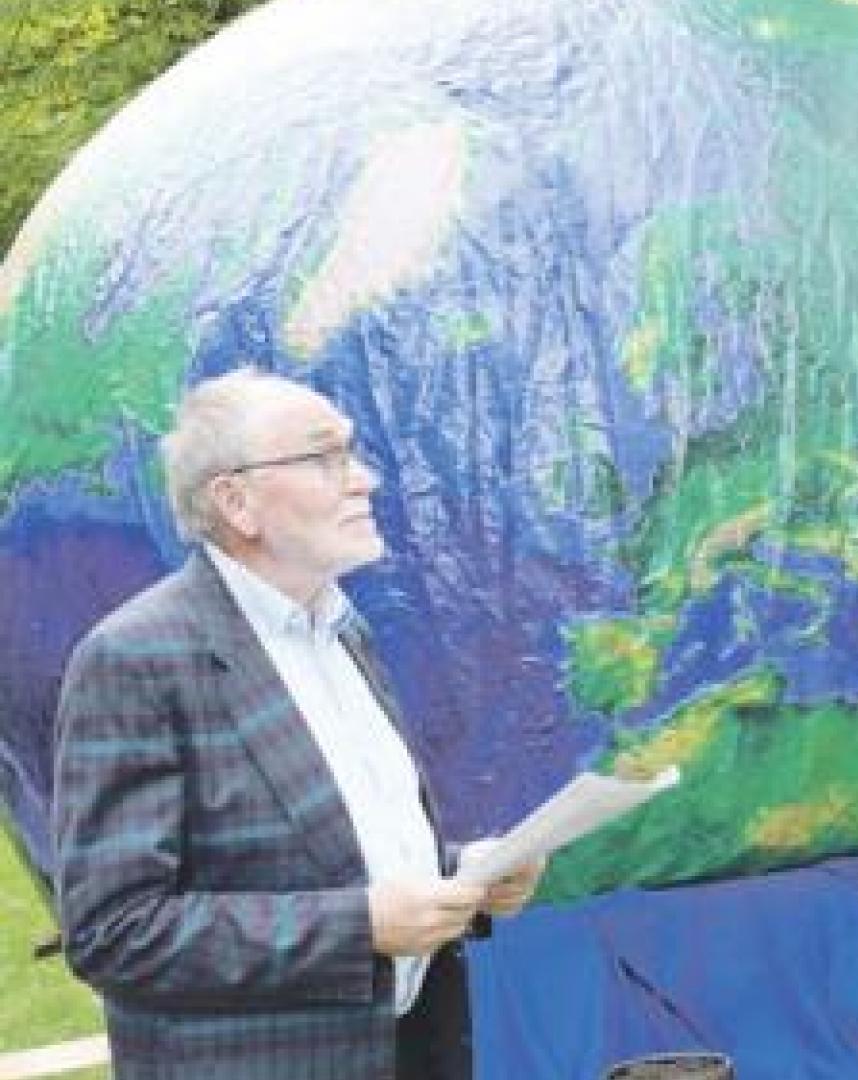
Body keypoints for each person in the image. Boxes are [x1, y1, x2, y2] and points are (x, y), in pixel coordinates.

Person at [52, 368, 545, 1080]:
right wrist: (361, 927)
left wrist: (465, 877)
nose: (365, 480)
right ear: (236, 502)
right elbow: (114, 930)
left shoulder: (343, 629)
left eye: (353, 452)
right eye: (325, 457)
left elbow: (335, 852)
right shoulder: (136, 658)